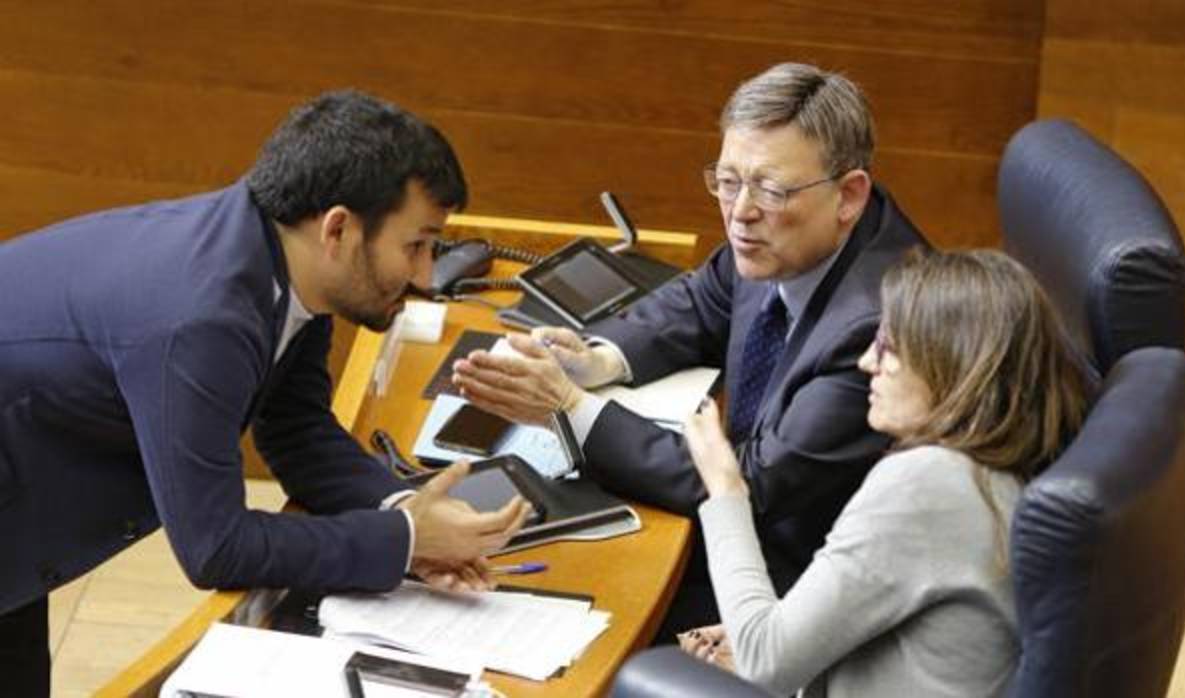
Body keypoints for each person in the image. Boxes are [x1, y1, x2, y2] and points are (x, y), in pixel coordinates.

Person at [0, 90, 531, 696]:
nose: (427, 276)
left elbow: (295, 429)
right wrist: (408, 542)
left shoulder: (277, 258)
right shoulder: (201, 318)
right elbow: (216, 547)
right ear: (338, 229)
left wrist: (405, 512)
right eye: (416, 245)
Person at [451, 63, 928, 629]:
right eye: (727, 181)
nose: (741, 212)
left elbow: (752, 483)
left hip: (796, 587)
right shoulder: (794, 235)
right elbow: (707, 296)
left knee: (555, 594)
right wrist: (597, 361)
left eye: (771, 190)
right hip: (738, 530)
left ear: (849, 194)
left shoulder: (879, 330)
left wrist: (570, 407)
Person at [678, 249, 1091, 697]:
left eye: (888, 347)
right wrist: (769, 632)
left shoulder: (930, 483)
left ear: (952, 361)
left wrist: (724, 487)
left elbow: (763, 664)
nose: (866, 364)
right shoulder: (1000, 467)